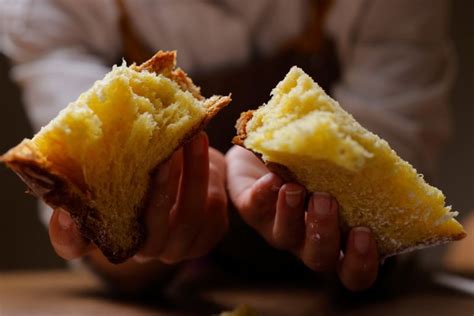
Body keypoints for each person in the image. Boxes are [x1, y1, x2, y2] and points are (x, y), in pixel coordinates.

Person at [0, 0, 455, 293]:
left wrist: (349, 210)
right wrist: (129, 244)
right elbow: (75, 193)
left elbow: (393, 170)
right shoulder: (43, 7)